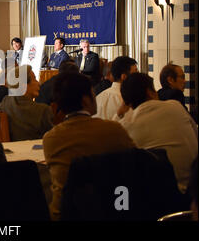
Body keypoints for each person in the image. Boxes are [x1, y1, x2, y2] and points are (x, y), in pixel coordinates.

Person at [43, 72, 135, 221]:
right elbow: (135, 161)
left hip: (65, 214)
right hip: (112, 211)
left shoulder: (51, 138)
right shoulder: (114, 130)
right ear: (86, 100)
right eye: (93, 93)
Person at [118, 73, 198, 194]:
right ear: (150, 92)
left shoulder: (126, 126)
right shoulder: (175, 106)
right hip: (193, 190)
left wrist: (119, 114)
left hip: (161, 200)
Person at [0, 65, 53, 141]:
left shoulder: (5, 103)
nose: (38, 83)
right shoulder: (43, 110)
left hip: (10, 149)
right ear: (24, 85)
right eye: (34, 79)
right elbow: (51, 138)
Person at [93, 56, 138, 120]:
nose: (138, 76)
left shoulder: (99, 97)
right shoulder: (125, 101)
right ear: (124, 77)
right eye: (135, 72)